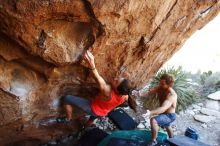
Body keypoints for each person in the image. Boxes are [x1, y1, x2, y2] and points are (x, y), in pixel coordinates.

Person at [57, 49, 131, 128]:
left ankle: (68, 118)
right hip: (104, 112)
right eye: (118, 79)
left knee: (67, 98)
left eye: (116, 82)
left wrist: (91, 63)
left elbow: (97, 77)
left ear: (117, 90)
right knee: (92, 119)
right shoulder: (125, 96)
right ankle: (85, 128)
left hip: (93, 109)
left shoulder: (107, 91)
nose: (115, 79)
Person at [132, 73, 177, 146]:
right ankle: (173, 140)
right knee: (167, 126)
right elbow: (149, 93)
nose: (160, 85)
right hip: (164, 114)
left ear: (169, 85)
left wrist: (150, 112)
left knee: (153, 120)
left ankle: (153, 141)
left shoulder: (172, 95)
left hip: (169, 116)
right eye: (160, 82)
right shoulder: (160, 87)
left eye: (163, 84)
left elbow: (163, 108)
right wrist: (138, 94)